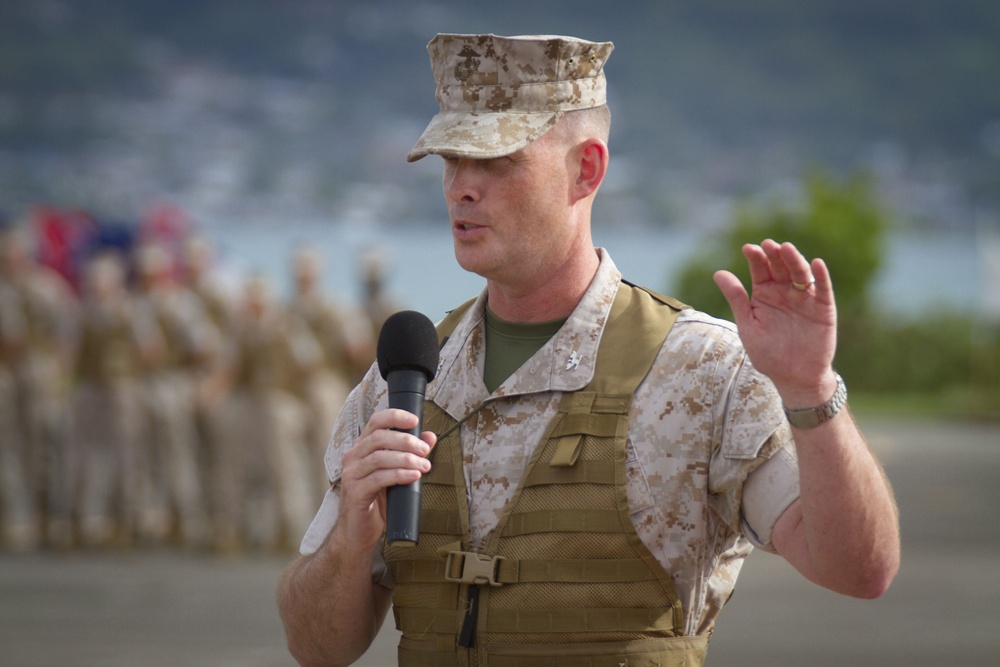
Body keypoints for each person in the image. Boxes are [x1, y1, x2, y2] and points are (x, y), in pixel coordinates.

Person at [277, 33, 900, 667]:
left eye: (496, 162)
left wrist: (812, 391)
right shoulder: (404, 379)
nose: (461, 188)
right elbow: (314, 647)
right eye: (450, 161)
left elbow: (858, 569)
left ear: (587, 170)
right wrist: (349, 546)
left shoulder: (701, 369)